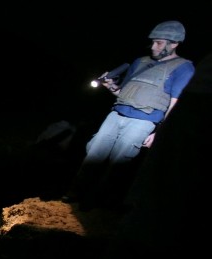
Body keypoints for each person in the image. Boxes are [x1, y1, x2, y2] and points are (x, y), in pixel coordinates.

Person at [63, 20, 195, 210]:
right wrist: (111, 87)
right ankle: (73, 193)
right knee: (93, 154)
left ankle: (96, 202)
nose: (153, 46)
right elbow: (124, 92)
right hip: (117, 114)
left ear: (174, 44)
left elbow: (175, 105)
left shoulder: (183, 68)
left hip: (143, 122)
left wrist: (159, 132)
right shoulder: (140, 62)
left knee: (119, 163)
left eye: (159, 43)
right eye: (153, 42)